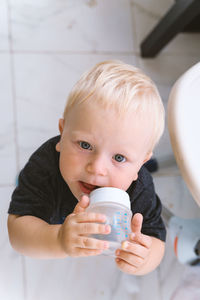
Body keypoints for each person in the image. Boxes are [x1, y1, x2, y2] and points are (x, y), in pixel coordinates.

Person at [7, 60, 166, 276]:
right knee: (29, 193)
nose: (97, 168)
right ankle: (27, 188)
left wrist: (144, 258)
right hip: (49, 211)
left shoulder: (140, 189)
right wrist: (58, 239)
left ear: (141, 164)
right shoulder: (45, 166)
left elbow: (156, 240)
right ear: (62, 135)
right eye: (85, 145)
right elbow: (18, 232)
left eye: (119, 157)